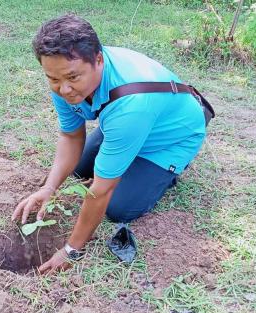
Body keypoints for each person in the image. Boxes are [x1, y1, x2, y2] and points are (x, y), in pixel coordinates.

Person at [12, 14, 206, 274]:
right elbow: (70, 136)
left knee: (118, 207)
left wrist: (72, 249)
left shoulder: (131, 105)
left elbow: (101, 190)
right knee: (80, 169)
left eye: (72, 78)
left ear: (98, 60)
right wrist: (49, 187)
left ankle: (163, 173)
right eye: (53, 79)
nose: (64, 90)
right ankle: (123, 153)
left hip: (169, 140)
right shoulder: (63, 76)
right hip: (125, 125)